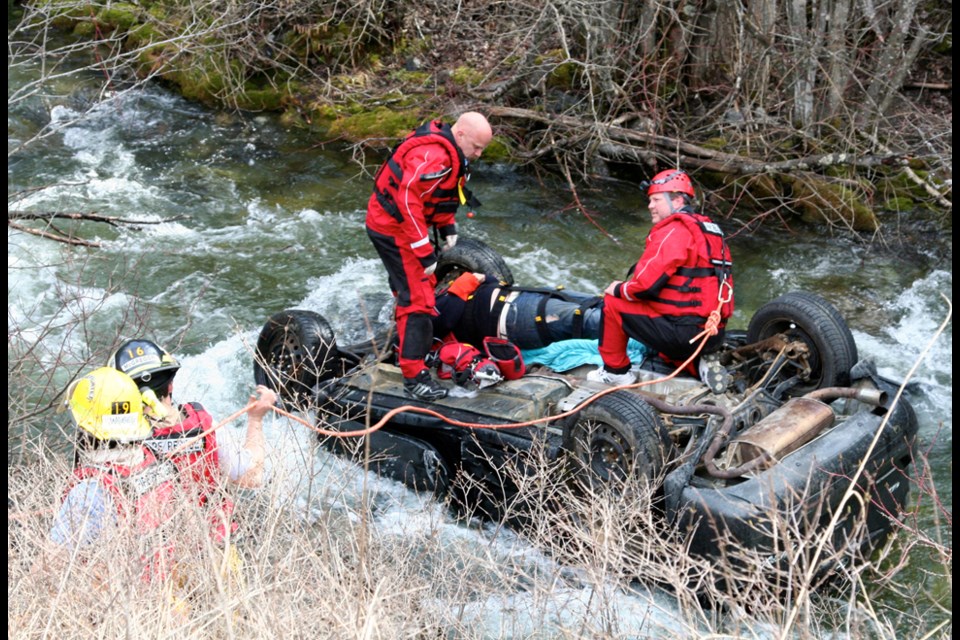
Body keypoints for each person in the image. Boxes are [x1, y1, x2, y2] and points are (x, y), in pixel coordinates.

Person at [50, 344, 277, 556]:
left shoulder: (125, 445)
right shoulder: (201, 423)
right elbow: (252, 477)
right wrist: (255, 421)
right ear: (171, 385)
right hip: (218, 551)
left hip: (158, 563)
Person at [366, 112, 493, 401]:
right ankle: (414, 377)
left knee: (420, 285)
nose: (479, 153)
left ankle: (405, 325)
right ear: (459, 135)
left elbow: (445, 191)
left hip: (405, 227)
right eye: (476, 147)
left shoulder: (454, 154)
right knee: (418, 301)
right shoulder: (432, 155)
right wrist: (423, 251)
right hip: (391, 227)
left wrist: (447, 225)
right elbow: (407, 199)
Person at [587, 169, 734, 386]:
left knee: (613, 302)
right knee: (667, 316)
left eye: (656, 199)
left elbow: (644, 286)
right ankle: (697, 364)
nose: (650, 206)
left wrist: (618, 288)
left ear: (676, 200)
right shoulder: (710, 230)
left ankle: (616, 372)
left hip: (684, 336)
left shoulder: (674, 230)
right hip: (713, 334)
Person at [433, 271, 604, 350]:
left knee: (597, 301)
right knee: (592, 320)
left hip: (525, 297)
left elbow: (491, 280)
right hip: (514, 318)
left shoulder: (437, 297)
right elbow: (446, 318)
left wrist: (482, 278)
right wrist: (466, 282)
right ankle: (630, 324)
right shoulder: (419, 317)